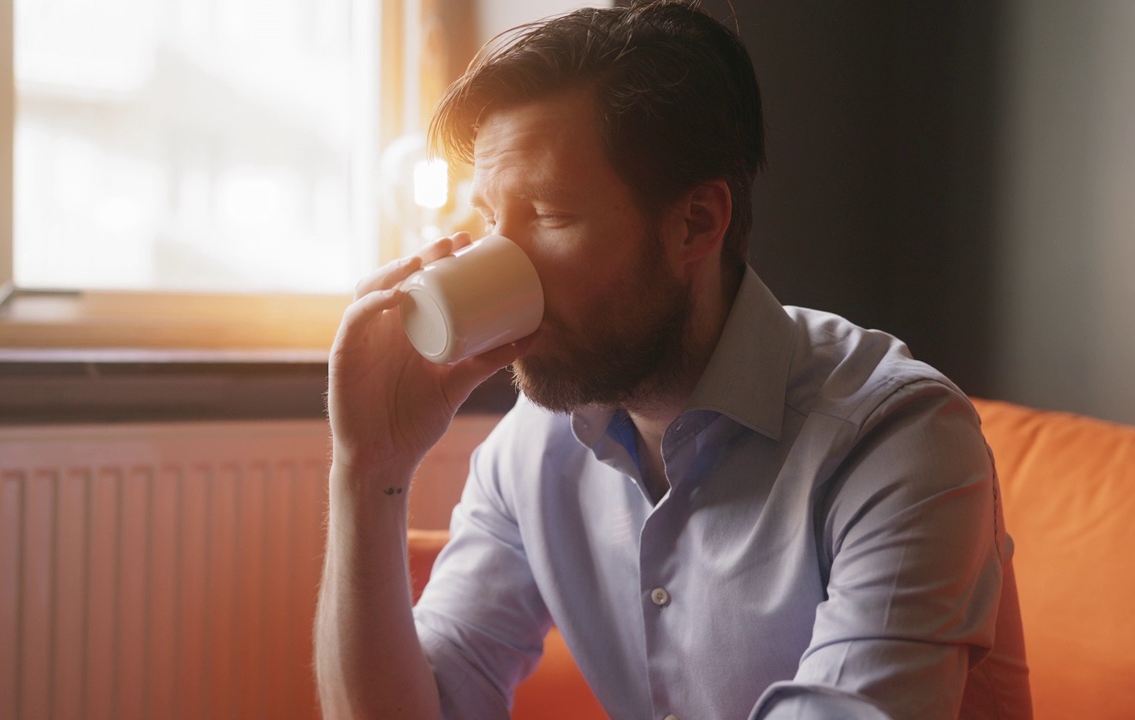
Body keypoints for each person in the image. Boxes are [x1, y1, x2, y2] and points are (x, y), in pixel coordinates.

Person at [314, 2, 1032, 719]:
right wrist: (367, 467)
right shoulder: (533, 452)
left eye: (549, 214)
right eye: (492, 221)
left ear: (696, 223)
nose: (503, 260)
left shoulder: (898, 442)